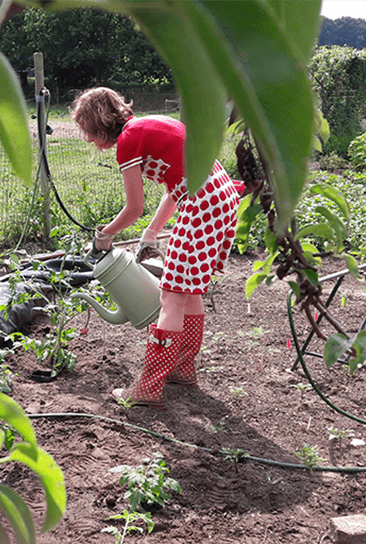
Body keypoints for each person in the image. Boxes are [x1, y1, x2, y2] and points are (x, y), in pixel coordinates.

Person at [70, 87, 243, 409]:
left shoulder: (128, 140)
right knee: (188, 290)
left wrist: (104, 235)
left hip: (203, 203)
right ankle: (182, 369)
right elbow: (173, 185)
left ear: (99, 123)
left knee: (171, 296)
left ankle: (149, 387)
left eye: (89, 132)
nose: (91, 141)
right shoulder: (148, 125)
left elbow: (134, 207)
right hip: (219, 197)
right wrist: (151, 233)